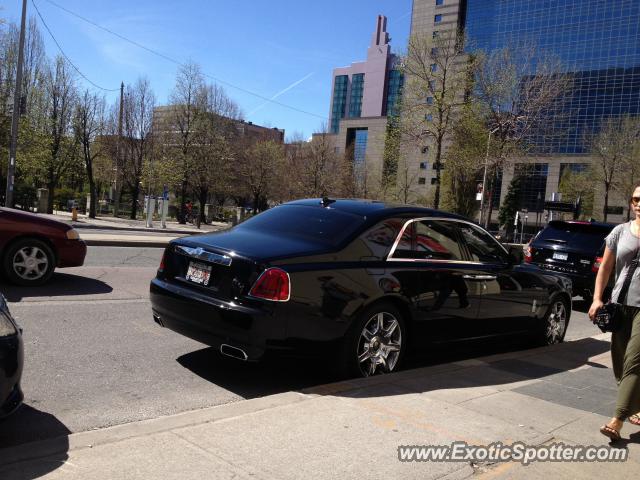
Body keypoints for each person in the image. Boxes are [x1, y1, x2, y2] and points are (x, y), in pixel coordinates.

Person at [589, 184, 640, 441]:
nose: (639, 203)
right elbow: (605, 269)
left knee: (634, 360)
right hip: (620, 305)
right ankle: (636, 404)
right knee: (620, 362)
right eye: (635, 199)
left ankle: (617, 419)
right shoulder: (620, 232)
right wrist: (597, 299)